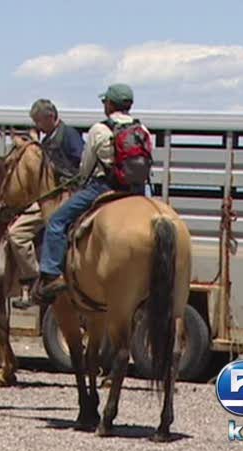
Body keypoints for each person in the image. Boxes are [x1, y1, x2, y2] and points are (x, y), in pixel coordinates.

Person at [33, 84, 153, 303]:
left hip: (105, 188)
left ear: (109, 104)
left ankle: (52, 274)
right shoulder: (142, 129)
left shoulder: (99, 129)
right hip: (136, 191)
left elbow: (85, 168)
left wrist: (80, 183)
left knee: (57, 221)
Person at [8, 99, 84, 309]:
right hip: (47, 195)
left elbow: (81, 162)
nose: (38, 126)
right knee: (14, 231)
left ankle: (39, 280)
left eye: (39, 121)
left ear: (50, 117)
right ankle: (31, 277)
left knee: (18, 234)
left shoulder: (68, 134)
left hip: (64, 194)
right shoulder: (49, 137)